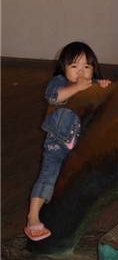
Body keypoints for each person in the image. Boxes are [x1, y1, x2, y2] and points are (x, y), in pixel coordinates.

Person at [24, 42, 111, 241]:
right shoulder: (59, 82)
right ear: (63, 68)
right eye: (74, 66)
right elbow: (53, 97)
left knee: (78, 179)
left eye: (86, 67)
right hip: (56, 143)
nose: (81, 72)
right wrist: (77, 87)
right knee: (48, 175)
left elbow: (103, 93)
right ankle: (33, 217)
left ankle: (70, 214)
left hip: (79, 145)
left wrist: (102, 85)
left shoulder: (90, 84)